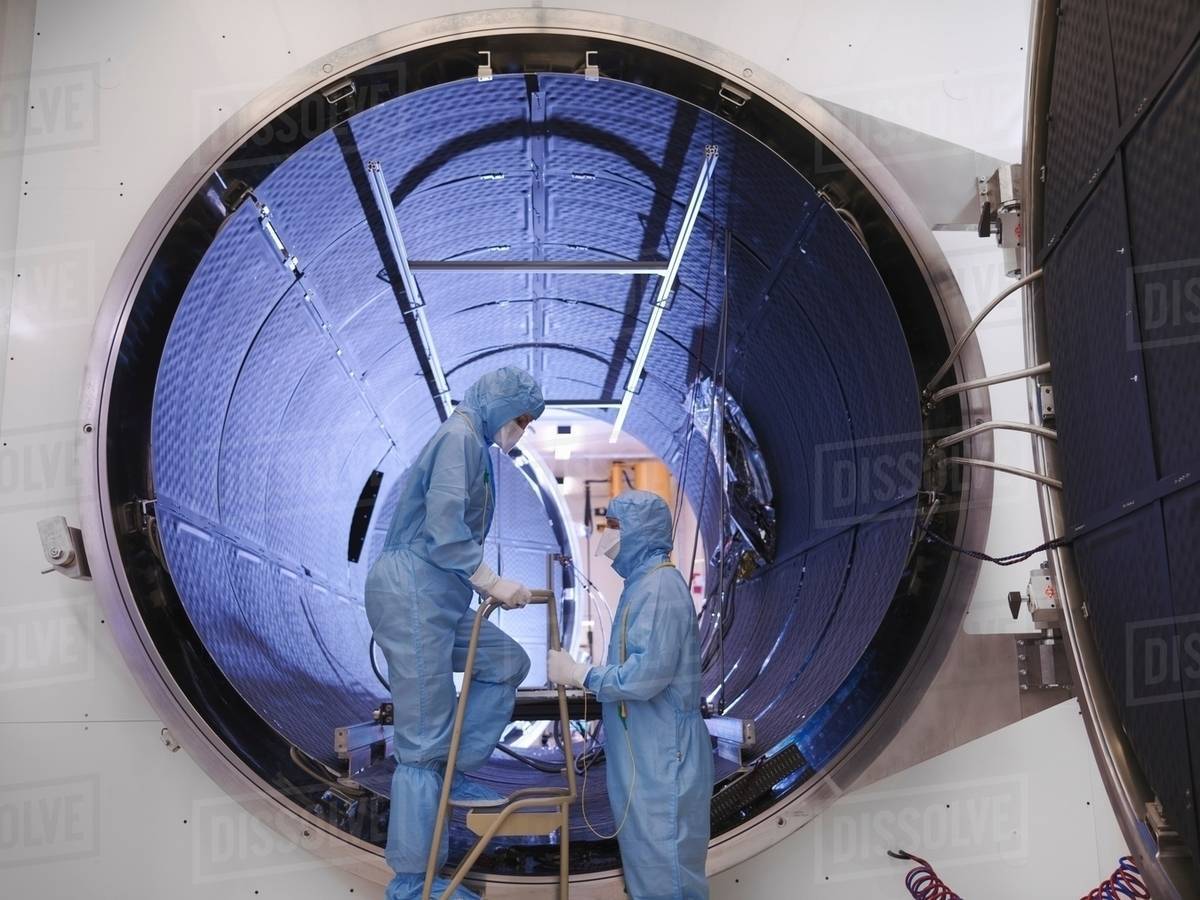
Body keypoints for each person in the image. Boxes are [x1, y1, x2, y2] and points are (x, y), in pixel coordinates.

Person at [365, 367, 545, 900]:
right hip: (413, 593)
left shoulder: (475, 447)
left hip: (440, 597)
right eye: (522, 418)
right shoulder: (458, 438)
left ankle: (456, 769)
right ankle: (414, 885)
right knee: (421, 743)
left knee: (508, 663)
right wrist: (492, 581)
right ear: (502, 403)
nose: (523, 429)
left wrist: (481, 586)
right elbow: (444, 531)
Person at [547, 489, 712, 900]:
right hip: (648, 759)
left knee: (667, 878)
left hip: (664, 759)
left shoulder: (659, 590)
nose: (608, 537)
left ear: (640, 531)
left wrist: (581, 673)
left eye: (615, 527)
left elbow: (644, 677)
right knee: (651, 876)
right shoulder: (641, 586)